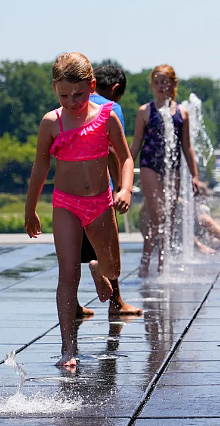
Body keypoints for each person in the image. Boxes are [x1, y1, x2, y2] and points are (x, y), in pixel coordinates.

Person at [25, 52, 134, 368]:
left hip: (100, 202)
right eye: (64, 95)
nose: (72, 101)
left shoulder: (107, 117)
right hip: (66, 204)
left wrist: (125, 188)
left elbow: (125, 158)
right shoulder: (52, 122)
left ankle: (99, 269)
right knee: (67, 273)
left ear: (92, 86)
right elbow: (41, 167)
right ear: (55, 90)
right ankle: (68, 348)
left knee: (114, 270)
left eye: (79, 94)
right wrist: (30, 209)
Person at [75, 64, 141, 318]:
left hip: (70, 192)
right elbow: (115, 150)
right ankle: (116, 302)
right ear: (115, 89)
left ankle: (74, 305)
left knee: (72, 254)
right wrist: (121, 188)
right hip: (100, 192)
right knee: (108, 249)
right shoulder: (111, 108)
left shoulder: (72, 104)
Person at [130, 64, 200, 277]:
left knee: (168, 217)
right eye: (157, 82)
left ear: (173, 84)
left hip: (173, 168)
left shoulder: (182, 113)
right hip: (149, 166)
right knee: (157, 213)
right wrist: (124, 171)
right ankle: (145, 261)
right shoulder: (145, 111)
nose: (161, 86)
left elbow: (187, 147)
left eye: (165, 82)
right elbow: (136, 144)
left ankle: (162, 263)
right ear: (152, 85)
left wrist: (195, 176)